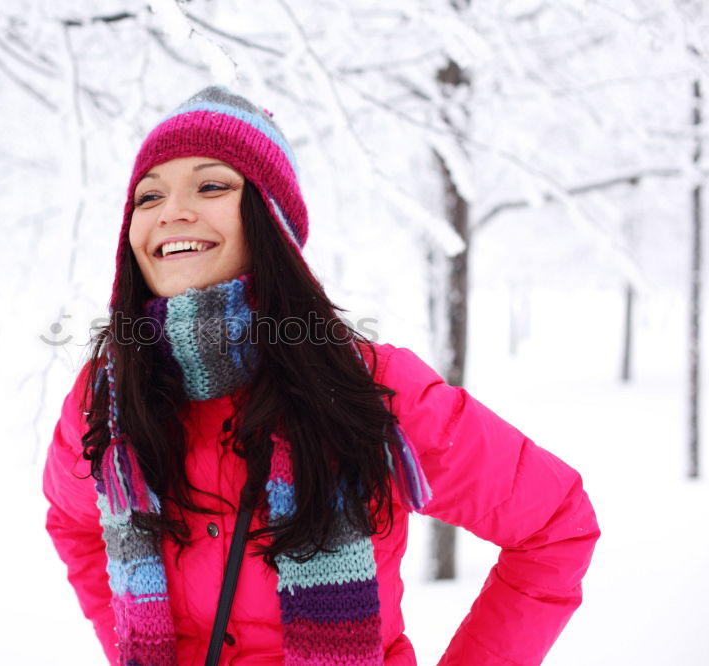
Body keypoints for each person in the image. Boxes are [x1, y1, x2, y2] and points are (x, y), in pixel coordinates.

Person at [43, 86, 599, 666]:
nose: (170, 212)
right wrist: (135, 647)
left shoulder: (371, 388)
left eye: (211, 185)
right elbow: (73, 521)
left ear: (271, 221)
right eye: (147, 196)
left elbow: (555, 524)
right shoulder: (106, 399)